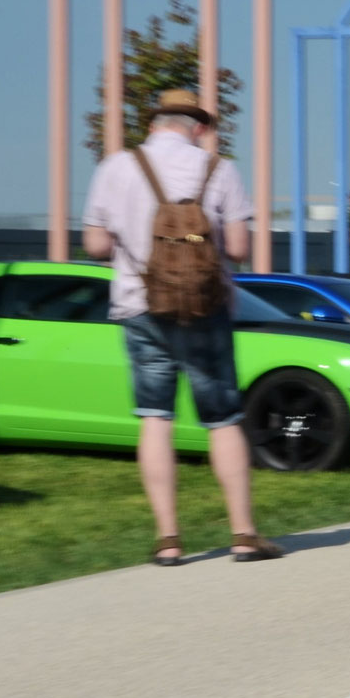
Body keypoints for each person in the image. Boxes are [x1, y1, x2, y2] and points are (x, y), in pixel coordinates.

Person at [82, 89, 282, 567]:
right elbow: (237, 248)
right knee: (222, 418)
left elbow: (93, 244)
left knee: (155, 416)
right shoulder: (220, 169)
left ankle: (169, 540)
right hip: (205, 309)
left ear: (154, 124)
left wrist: (133, 247)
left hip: (140, 307)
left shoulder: (116, 167)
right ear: (197, 126)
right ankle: (242, 534)